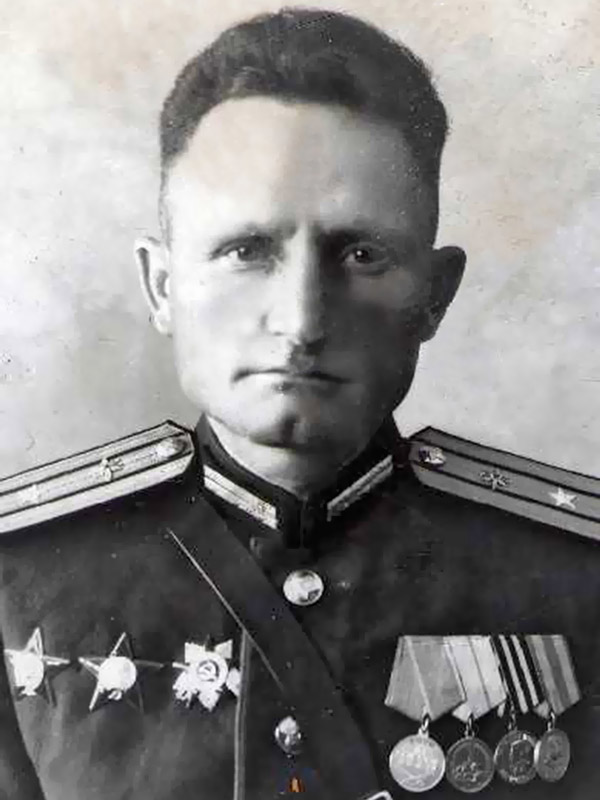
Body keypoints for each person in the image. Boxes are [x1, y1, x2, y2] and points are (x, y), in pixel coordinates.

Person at [0, 8, 598, 800]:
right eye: (246, 251)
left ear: (435, 294)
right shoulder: (18, 581)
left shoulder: (574, 574)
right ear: (163, 285)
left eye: (362, 253)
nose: (302, 320)